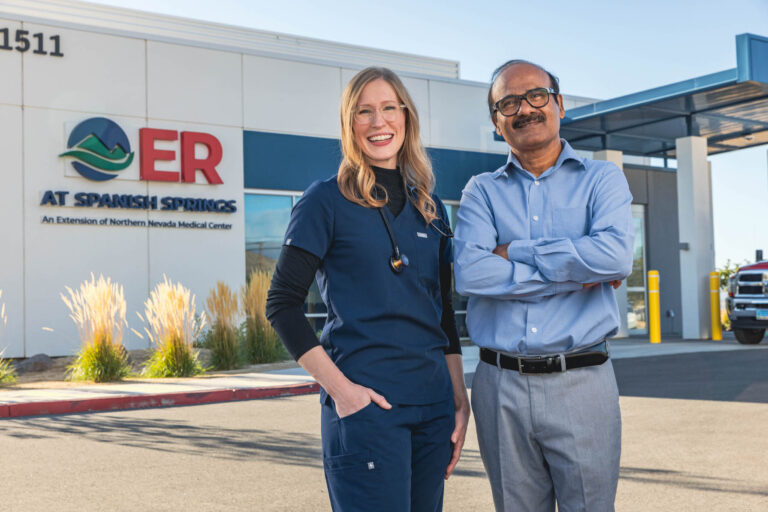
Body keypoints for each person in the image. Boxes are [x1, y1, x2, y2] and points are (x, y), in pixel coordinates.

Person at [265, 66, 470, 512]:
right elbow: (281, 305)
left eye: (388, 109)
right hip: (367, 411)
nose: (379, 123)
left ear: (406, 117)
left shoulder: (432, 211)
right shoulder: (325, 201)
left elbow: (443, 318)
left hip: (433, 410)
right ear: (348, 124)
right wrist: (343, 393)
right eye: (364, 112)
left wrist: (459, 399)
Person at [453, 60, 634, 512]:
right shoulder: (480, 191)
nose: (525, 109)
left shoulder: (602, 178)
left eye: (536, 95)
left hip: (582, 381)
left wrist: (514, 251)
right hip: (500, 387)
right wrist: (577, 267)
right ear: (496, 122)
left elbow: (613, 257)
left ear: (559, 104)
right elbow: (470, 273)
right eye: (508, 103)